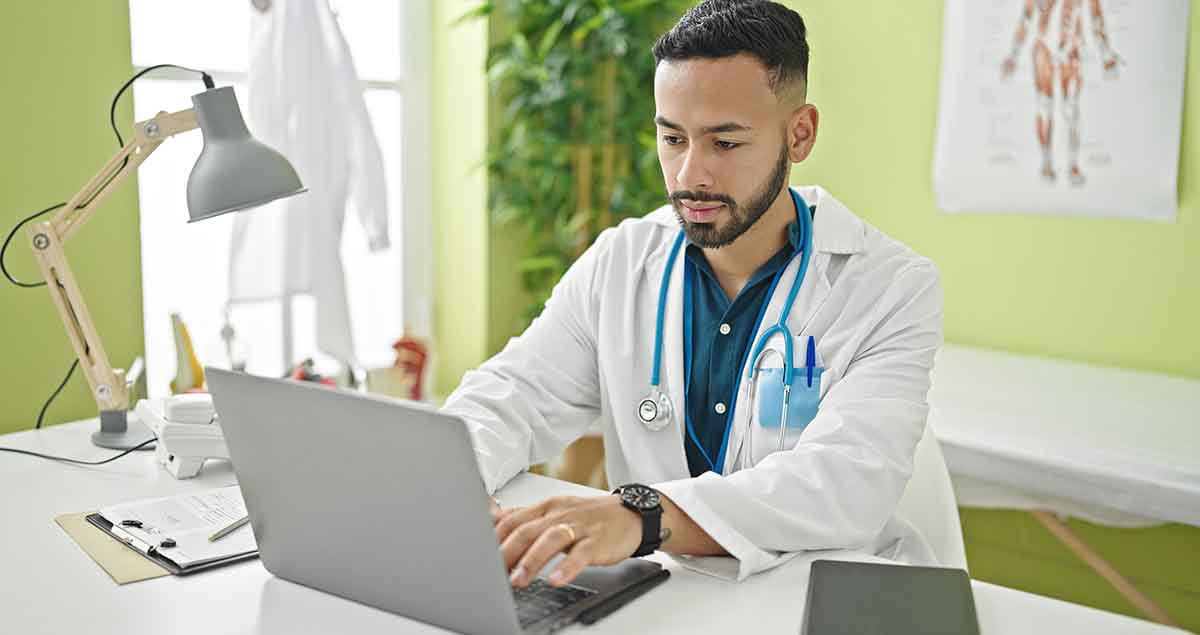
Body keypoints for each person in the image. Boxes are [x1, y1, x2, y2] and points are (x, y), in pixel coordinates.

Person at [442, 0, 943, 586]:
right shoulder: (621, 260)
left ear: (799, 134)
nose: (688, 176)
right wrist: (453, 485)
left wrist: (642, 516)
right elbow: (512, 395)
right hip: (670, 595)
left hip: (821, 597)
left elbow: (846, 482)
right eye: (673, 138)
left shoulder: (889, 287)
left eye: (724, 144)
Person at [1000, 0, 1121, 185]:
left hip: (1071, 49)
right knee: (1044, 106)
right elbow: (1026, 16)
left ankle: (1072, 164)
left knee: (1071, 108)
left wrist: (1105, 53)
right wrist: (1013, 55)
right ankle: (1047, 162)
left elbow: (1096, 16)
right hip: (1044, 48)